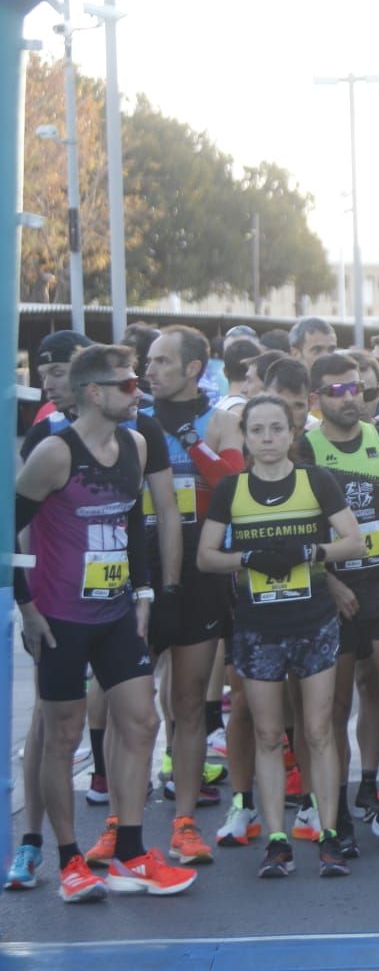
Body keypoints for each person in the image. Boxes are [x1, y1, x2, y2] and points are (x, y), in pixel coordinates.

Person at [14, 344, 197, 902]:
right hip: (61, 616)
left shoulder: (136, 444)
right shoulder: (54, 453)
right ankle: (70, 860)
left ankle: (131, 853)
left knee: (140, 723)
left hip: (117, 611)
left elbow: (135, 516)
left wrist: (143, 593)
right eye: (126, 383)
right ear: (94, 392)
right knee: (62, 736)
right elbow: (8, 531)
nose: (137, 389)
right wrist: (27, 607)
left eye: (137, 380)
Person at [198, 395, 364, 878]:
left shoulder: (316, 480)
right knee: (268, 734)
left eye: (277, 429)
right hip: (258, 628)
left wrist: (310, 550)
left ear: (292, 434)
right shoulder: (233, 489)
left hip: (313, 623)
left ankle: (329, 834)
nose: (268, 439)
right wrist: (247, 558)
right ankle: (276, 840)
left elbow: (354, 540)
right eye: (258, 430)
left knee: (317, 731)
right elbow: (205, 556)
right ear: (245, 437)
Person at [295, 354, 379, 856]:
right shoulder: (305, 448)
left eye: (353, 388)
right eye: (335, 391)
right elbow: (301, 528)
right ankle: (336, 813)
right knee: (333, 710)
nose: (348, 398)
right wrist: (328, 582)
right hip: (333, 596)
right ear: (316, 401)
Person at [142, 325, 246, 863]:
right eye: (148, 361)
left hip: (201, 571)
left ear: (191, 368)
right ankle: (122, 822)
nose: (150, 370)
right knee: (134, 707)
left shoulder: (221, 419)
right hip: (143, 568)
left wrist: (189, 440)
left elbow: (230, 484)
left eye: (162, 361)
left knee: (188, 702)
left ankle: (184, 822)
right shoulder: (133, 416)